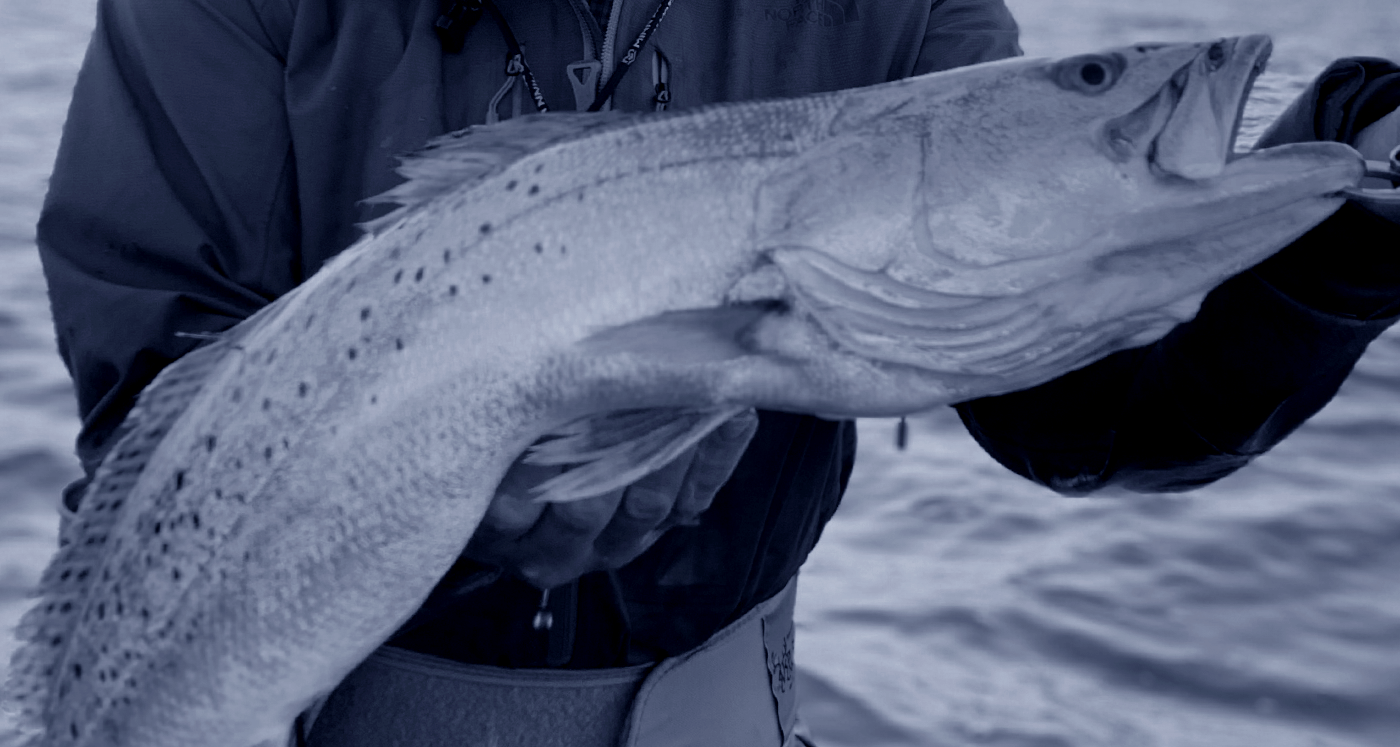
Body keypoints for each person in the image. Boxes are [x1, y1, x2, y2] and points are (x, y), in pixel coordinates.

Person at [34, 0, 1400, 744]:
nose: (1155, 81)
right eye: (1100, 77)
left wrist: (1337, 249)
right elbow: (157, 387)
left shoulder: (901, 15)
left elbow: (1082, 401)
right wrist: (474, 509)